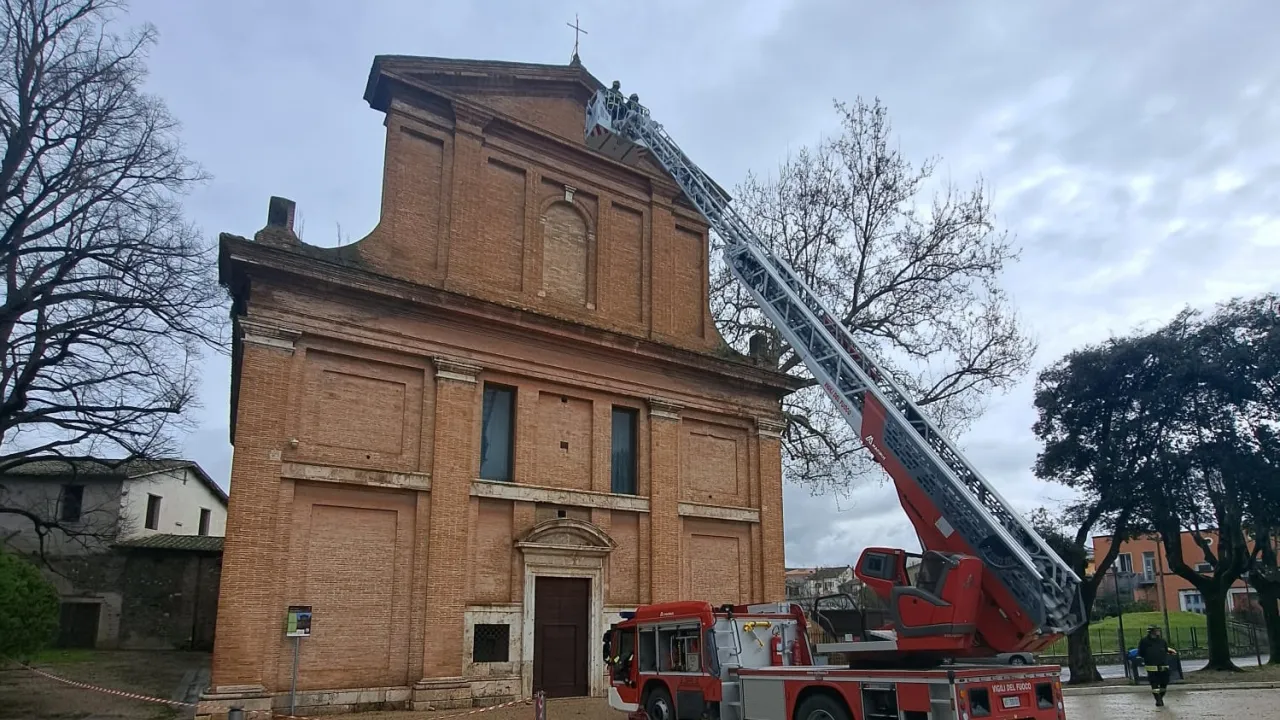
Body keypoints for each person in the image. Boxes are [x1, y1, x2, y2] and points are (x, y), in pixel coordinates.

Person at [1137, 625, 1172, 706]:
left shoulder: (1162, 641)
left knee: (1164, 682)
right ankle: (1158, 699)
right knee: (1154, 683)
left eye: (1158, 630)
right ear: (1151, 631)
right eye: (1156, 630)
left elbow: (1165, 650)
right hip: (1151, 666)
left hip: (1163, 665)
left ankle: (1161, 696)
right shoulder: (1144, 641)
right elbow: (1141, 653)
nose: (1158, 632)